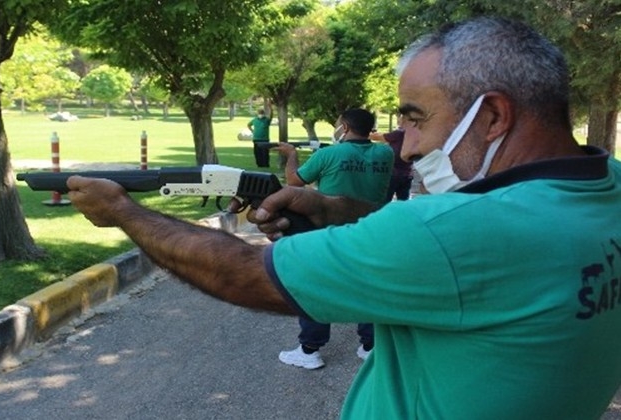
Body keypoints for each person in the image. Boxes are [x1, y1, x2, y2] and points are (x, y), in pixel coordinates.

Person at [66, 16, 621, 419]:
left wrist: (122, 210)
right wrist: (336, 211)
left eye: (416, 119)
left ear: (494, 114)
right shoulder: (607, 186)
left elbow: (242, 273)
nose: (407, 148)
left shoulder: (452, 234)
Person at [272, 108, 394, 369]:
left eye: (339, 124)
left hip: (330, 231)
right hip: (372, 230)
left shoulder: (327, 154)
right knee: (367, 285)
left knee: (316, 285)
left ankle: (309, 349)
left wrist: (292, 155)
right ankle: (370, 345)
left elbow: (295, 182)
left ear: (345, 128)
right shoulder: (385, 153)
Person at [370, 125, 413, 201]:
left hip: (393, 174)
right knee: (403, 201)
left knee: (385, 201)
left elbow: (377, 137)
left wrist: (365, 134)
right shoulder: (414, 135)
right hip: (407, 174)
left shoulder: (399, 134)